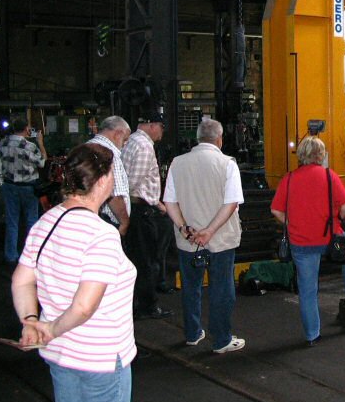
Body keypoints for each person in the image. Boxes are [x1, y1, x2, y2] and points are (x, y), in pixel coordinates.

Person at [11, 144, 136, 402]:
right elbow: (84, 306)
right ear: (102, 181)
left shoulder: (46, 223)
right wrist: (51, 329)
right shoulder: (101, 234)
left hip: (60, 354)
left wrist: (32, 321)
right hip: (100, 358)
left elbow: (21, 281)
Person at [271, 136, 345, 347]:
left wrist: (291, 222)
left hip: (301, 242)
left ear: (301, 154)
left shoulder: (289, 178)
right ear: (321, 155)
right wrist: (336, 220)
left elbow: (276, 209)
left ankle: (312, 335)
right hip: (328, 236)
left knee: (308, 291)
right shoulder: (328, 175)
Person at [163, 118, 245, 353]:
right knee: (222, 289)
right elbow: (231, 203)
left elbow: (169, 201)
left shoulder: (177, 163)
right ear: (219, 139)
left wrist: (183, 227)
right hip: (220, 241)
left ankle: (192, 333)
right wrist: (209, 231)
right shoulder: (227, 164)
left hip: (188, 240)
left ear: (197, 138)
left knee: (191, 287)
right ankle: (221, 339)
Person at [122, 112, 173, 320]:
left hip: (136, 208)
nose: (162, 133)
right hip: (141, 211)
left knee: (136, 258)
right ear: (152, 125)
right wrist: (154, 203)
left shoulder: (131, 142)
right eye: (161, 127)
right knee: (146, 260)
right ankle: (147, 305)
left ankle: (137, 302)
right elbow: (134, 183)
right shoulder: (144, 146)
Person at [0, 118, 47, 264]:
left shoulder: (3, 142)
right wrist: (41, 143)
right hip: (27, 187)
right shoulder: (29, 146)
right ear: (26, 129)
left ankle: (11, 255)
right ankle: (31, 255)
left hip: (9, 185)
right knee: (31, 220)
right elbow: (42, 162)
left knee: (12, 221)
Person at [89, 116, 131, 236]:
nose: (125, 143)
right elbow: (115, 195)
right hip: (108, 222)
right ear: (118, 133)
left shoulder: (86, 147)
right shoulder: (110, 154)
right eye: (125, 139)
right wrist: (124, 222)